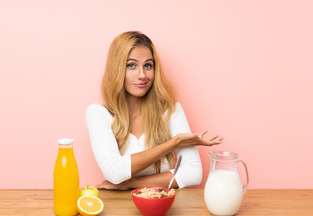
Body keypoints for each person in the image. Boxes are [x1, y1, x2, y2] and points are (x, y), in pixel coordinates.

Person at [85, 31, 223, 190]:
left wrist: (129, 184)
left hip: (163, 206)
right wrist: (173, 143)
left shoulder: (171, 110)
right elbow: (113, 172)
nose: (142, 75)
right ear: (116, 69)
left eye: (148, 65)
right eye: (131, 65)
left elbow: (193, 173)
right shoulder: (97, 114)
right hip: (119, 212)